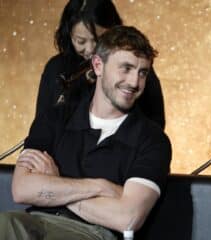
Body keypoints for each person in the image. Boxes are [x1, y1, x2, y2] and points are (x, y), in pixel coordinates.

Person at [0, 25, 171, 240]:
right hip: (34, 223)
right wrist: (101, 187)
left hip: (94, 233)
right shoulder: (55, 119)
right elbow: (22, 189)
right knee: (3, 224)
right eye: (125, 68)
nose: (134, 82)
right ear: (98, 65)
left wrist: (56, 184)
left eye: (142, 73)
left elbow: (127, 218)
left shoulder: (153, 140)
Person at [36, 0, 166, 129]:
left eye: (98, 40)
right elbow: (41, 124)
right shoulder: (55, 68)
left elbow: (156, 123)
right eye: (80, 41)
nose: (90, 50)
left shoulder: (136, 66)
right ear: (69, 35)